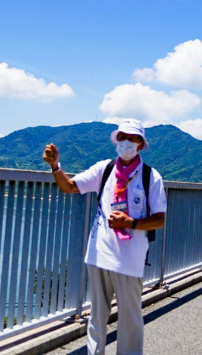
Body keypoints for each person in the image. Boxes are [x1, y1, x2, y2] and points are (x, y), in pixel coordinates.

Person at [42, 119, 167, 355]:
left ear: (141, 144)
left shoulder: (151, 177)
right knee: (96, 318)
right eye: (122, 137)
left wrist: (131, 223)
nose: (126, 142)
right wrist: (55, 166)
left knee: (130, 321)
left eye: (132, 138)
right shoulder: (105, 169)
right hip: (98, 255)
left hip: (130, 260)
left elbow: (160, 219)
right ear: (116, 140)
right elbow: (70, 186)